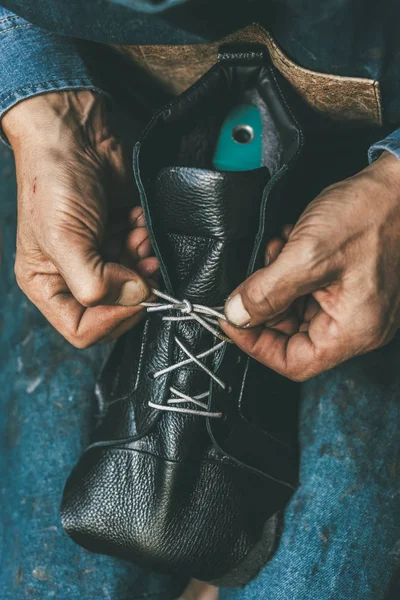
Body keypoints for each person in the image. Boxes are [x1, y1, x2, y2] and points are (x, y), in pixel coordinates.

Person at [0, 1, 399, 599]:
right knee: (53, 585)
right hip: (111, 138)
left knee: (311, 584)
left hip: (372, 169)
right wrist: (44, 104)